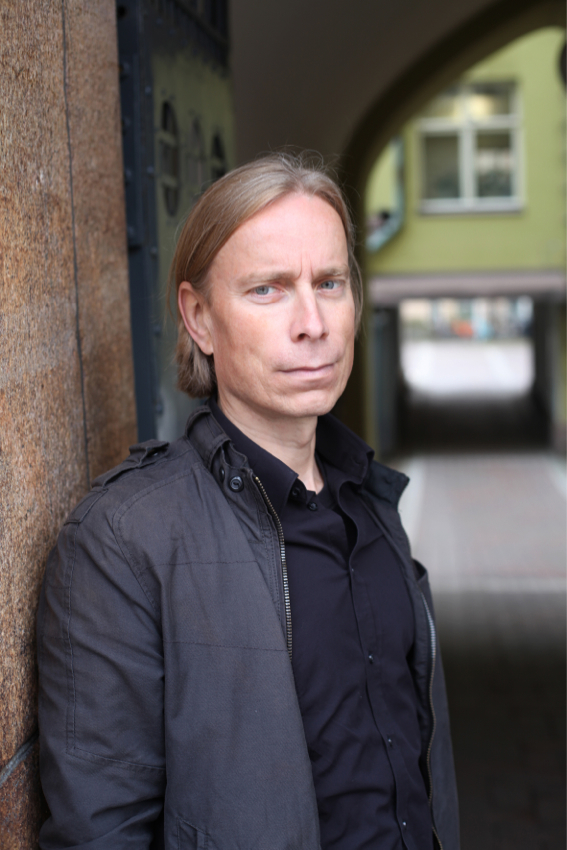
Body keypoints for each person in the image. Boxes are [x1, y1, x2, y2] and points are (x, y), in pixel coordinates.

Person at [37, 153, 459, 850]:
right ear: (199, 318)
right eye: (268, 289)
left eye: (329, 283)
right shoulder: (125, 540)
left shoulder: (370, 501)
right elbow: (100, 830)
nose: (312, 322)